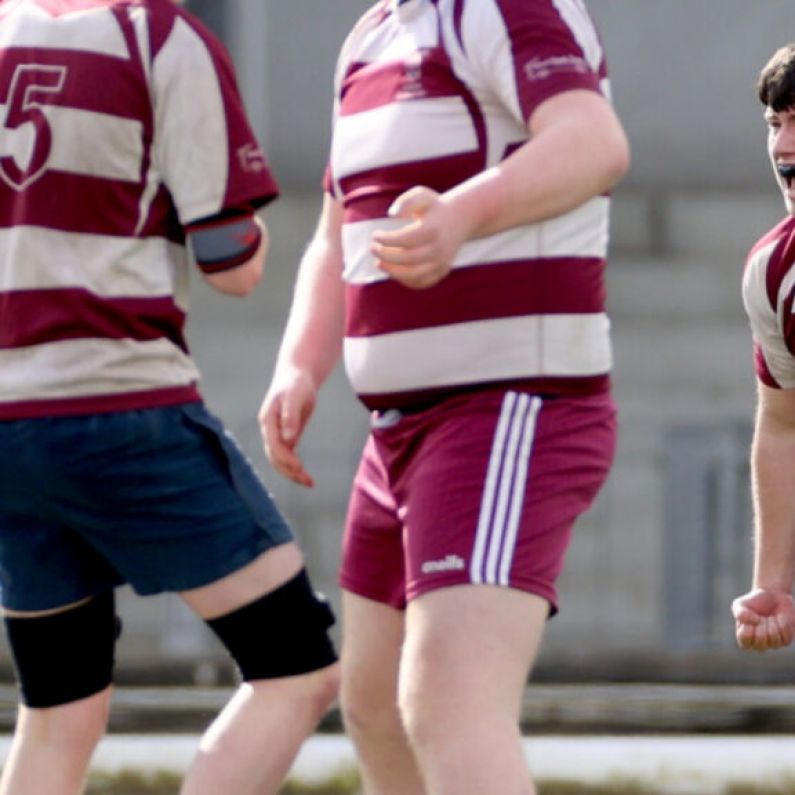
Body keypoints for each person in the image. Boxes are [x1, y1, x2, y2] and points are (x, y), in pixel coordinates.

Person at [259, 1, 630, 793]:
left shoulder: (499, 8)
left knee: (445, 702)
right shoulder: (371, 34)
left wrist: (461, 213)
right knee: (373, 706)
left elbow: (593, 142)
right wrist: (299, 363)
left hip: (507, 406)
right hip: (398, 429)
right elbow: (338, 234)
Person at [0, 2, 339, 794]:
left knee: (60, 707)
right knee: (297, 667)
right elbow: (229, 260)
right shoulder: (160, 38)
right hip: (118, 408)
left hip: (7, 425)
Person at [732, 43, 795, 654]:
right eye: (776, 123)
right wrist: (771, 584)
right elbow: (783, 427)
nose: (783, 148)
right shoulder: (774, 272)